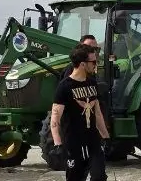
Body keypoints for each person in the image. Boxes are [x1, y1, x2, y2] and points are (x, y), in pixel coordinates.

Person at [49, 44, 111, 181]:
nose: (96, 64)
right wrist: (58, 144)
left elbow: (98, 113)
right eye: (93, 62)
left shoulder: (92, 83)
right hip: (74, 143)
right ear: (83, 64)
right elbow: (55, 118)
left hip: (93, 141)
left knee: (99, 177)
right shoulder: (64, 87)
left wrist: (106, 137)